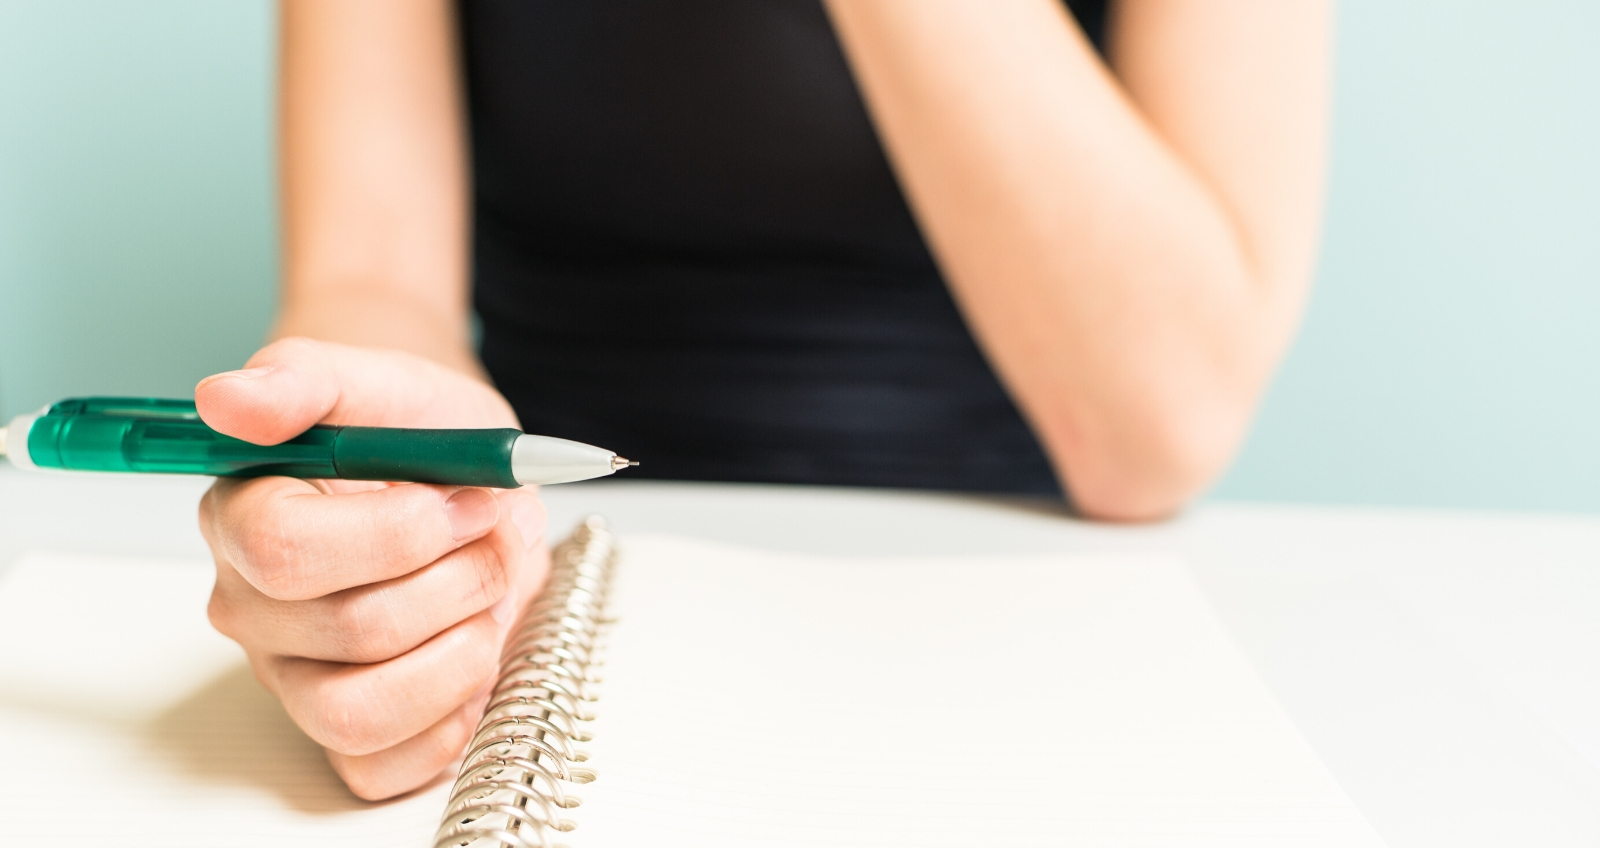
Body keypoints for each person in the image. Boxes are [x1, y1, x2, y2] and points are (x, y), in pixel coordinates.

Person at [196, 0, 1329, 799]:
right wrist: (392, 488)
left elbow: (1161, 427)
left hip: (1031, 626)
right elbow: (373, 276)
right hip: (557, 606)